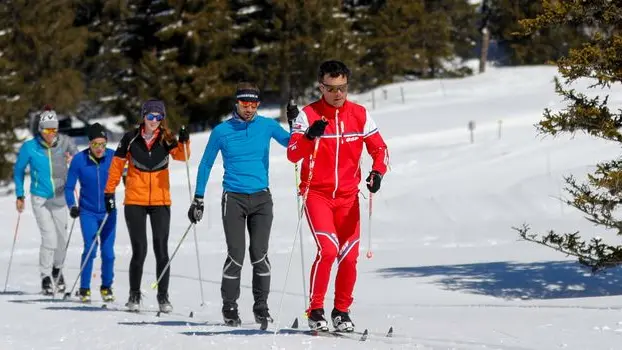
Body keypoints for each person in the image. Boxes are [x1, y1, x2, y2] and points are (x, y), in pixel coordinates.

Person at [286, 60, 389, 332]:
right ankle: (315, 308)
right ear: (321, 87)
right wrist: (309, 136)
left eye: (342, 88)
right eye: (331, 89)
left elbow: (380, 150)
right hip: (317, 194)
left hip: (347, 198)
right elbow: (293, 153)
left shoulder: (360, 114)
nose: (338, 94)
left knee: (349, 255)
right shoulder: (307, 115)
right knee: (328, 250)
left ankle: (341, 311)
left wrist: (376, 173)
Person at [187, 82, 290, 326]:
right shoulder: (222, 131)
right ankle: (229, 306)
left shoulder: (267, 125)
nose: (250, 109)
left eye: (254, 104)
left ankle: (261, 306)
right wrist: (198, 198)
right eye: (245, 104)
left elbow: (292, 145)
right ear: (237, 102)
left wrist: (296, 124)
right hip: (233, 199)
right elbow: (205, 164)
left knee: (260, 255)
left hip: (262, 199)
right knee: (236, 255)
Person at [103, 99, 190, 313]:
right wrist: (109, 191)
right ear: (144, 116)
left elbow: (183, 156)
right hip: (135, 201)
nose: (154, 121)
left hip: (160, 201)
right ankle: (134, 296)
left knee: (161, 249)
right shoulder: (130, 138)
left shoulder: (166, 138)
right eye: (150, 116)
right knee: (139, 250)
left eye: (158, 117)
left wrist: (184, 141)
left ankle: (163, 297)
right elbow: (116, 166)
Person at [13, 106, 78, 295]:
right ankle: (45, 277)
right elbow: (18, 171)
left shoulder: (65, 142)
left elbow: (78, 157)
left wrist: (72, 158)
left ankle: (57, 270)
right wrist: (19, 195)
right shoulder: (30, 147)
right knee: (49, 238)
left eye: (54, 129)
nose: (52, 133)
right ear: (41, 129)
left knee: (62, 239)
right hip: (40, 198)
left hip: (60, 197)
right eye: (48, 129)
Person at [64, 123, 117, 303]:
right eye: (95, 144)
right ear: (89, 144)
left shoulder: (113, 157)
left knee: (108, 253)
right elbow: (69, 188)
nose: (99, 149)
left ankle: (106, 286)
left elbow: (127, 176)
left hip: (109, 212)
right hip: (88, 212)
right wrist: (72, 206)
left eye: (102, 144)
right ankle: (84, 288)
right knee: (90, 249)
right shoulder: (79, 160)